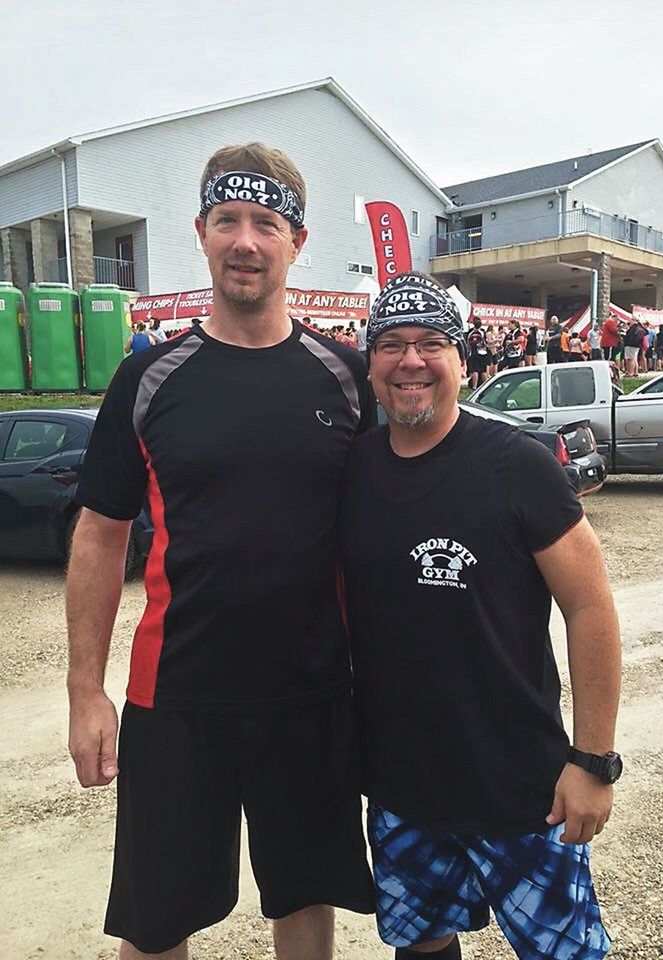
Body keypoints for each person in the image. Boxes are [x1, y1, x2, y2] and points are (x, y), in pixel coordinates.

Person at [66, 142, 376, 960]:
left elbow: (394, 523)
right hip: (177, 698)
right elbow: (99, 536)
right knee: (156, 922)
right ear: (201, 232)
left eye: (266, 223)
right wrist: (85, 693)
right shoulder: (149, 377)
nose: (246, 239)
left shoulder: (345, 378)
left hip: (311, 693)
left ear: (296, 242)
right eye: (228, 220)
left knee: (305, 902)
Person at [341, 271, 622, 960]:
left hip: (524, 788)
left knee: (564, 952)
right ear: (370, 363)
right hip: (403, 788)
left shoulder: (518, 466)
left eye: (432, 343)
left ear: (463, 361)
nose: (411, 361)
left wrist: (591, 761)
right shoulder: (352, 470)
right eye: (392, 345)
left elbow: (590, 608)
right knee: (423, 947)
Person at [466, 319, 489, 388]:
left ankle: (474, 386)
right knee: (483, 370)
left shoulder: (470, 333)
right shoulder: (482, 332)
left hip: (473, 353)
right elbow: (486, 342)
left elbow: (468, 343)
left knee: (474, 370)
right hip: (482, 353)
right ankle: (485, 386)